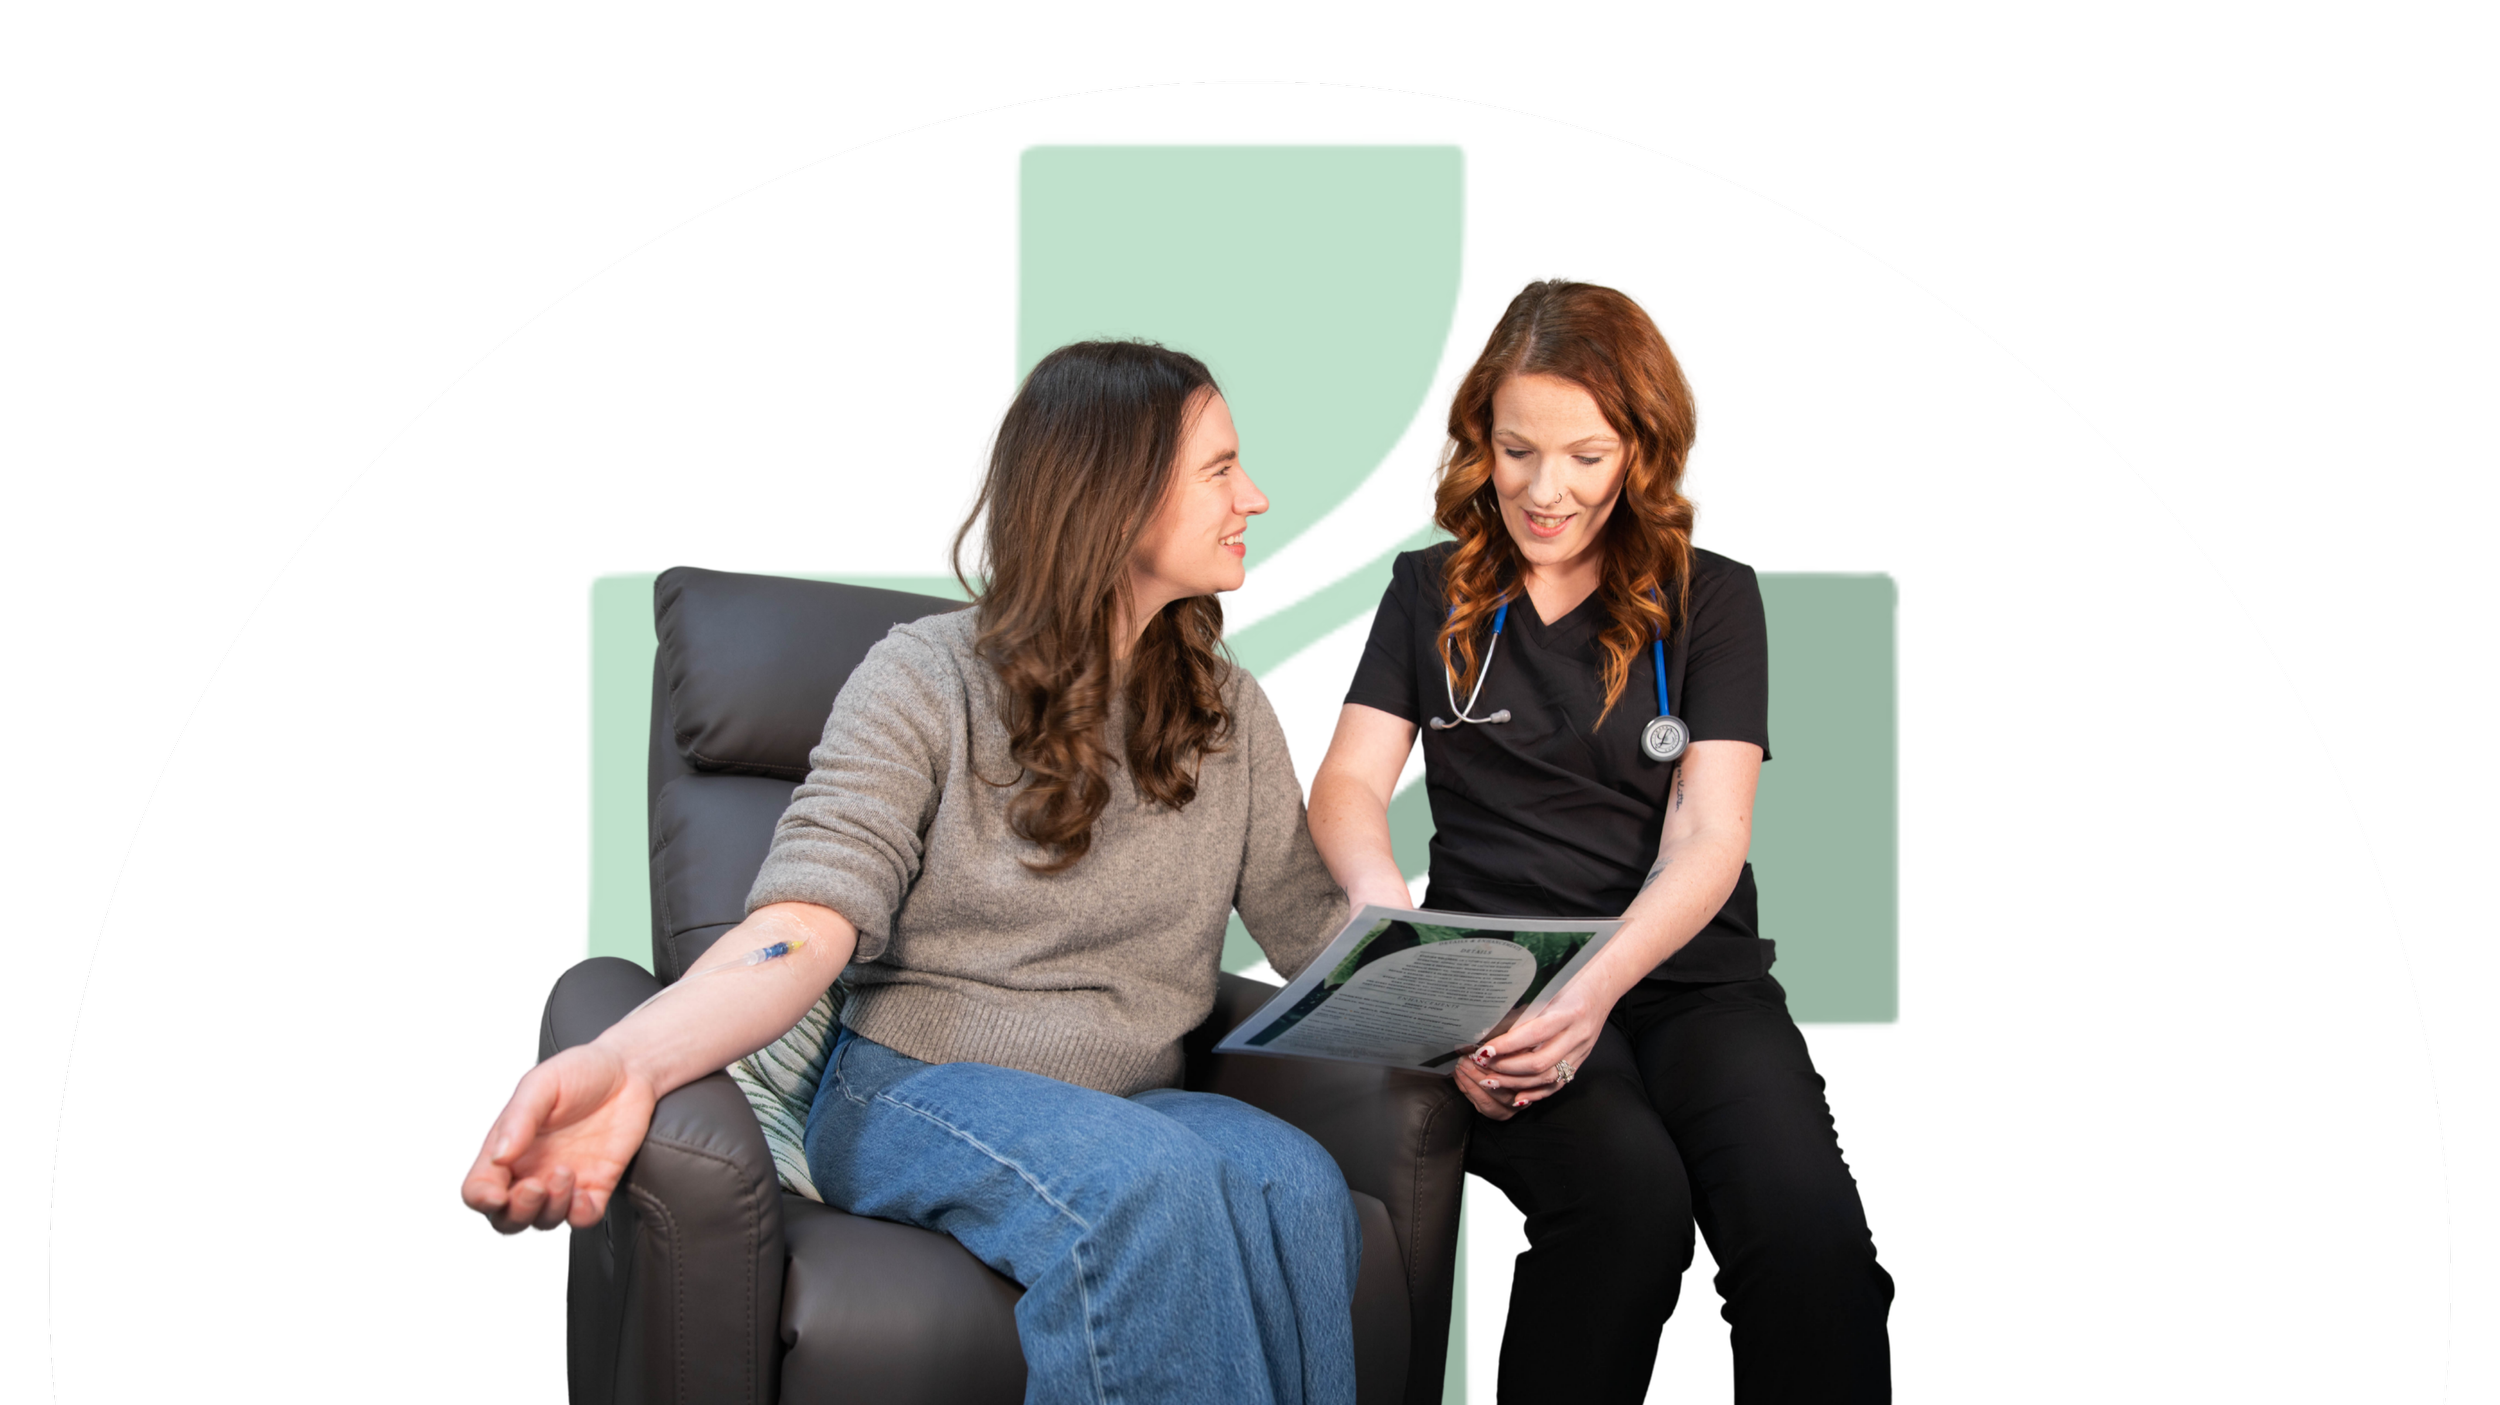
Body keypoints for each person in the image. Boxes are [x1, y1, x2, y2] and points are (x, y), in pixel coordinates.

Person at [464, 341, 1363, 1405]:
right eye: (1219, 469)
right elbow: (808, 915)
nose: (1252, 496)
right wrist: (636, 1059)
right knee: (1146, 1189)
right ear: (1115, 494)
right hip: (914, 1088)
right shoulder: (925, 677)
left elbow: (1315, 931)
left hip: (1131, 1096)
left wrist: (1487, 1008)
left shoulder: (1225, 710)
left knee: (1297, 1184)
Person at [1308, 281, 1894, 1403]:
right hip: (1504, 975)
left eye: (1584, 455)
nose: (1543, 489)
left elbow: (1709, 831)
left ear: (1639, 446)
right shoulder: (1428, 591)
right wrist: (1404, 943)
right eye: (1516, 449)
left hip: (1689, 979)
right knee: (1623, 1213)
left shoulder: (1709, 600)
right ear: (1481, 436)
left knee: (1809, 1248)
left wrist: (1600, 986)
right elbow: (1347, 782)